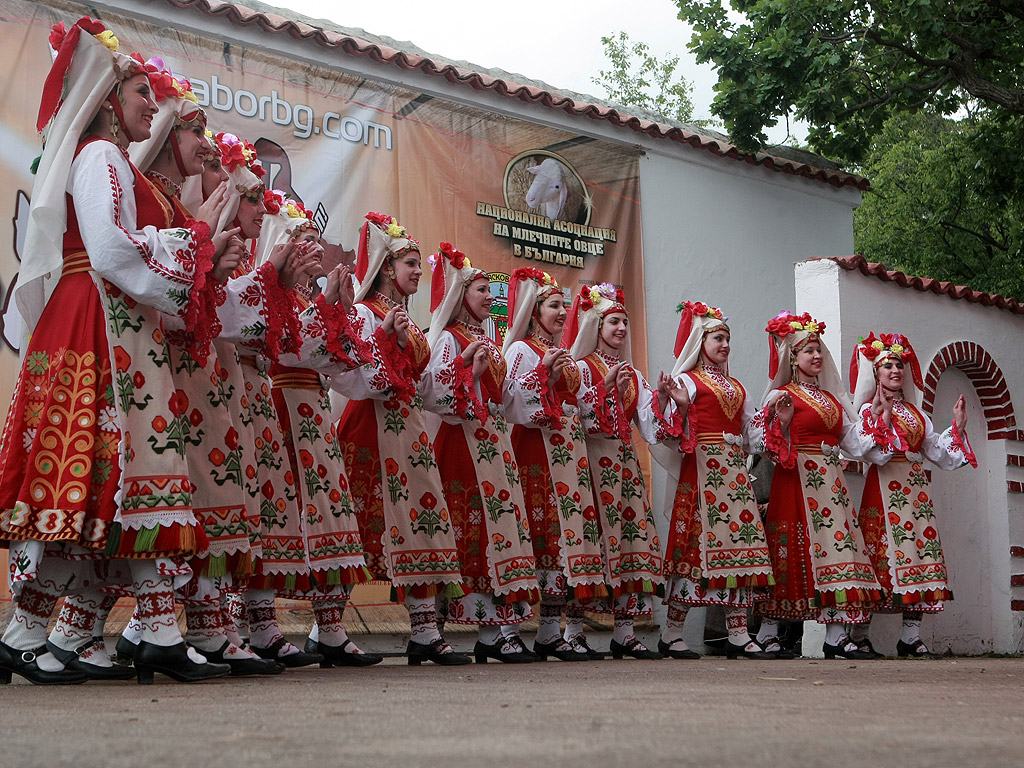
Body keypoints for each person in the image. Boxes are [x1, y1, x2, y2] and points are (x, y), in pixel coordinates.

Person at [0, 18, 235, 684]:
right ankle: (149, 631)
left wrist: (185, 253)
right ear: (107, 98)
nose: (149, 105)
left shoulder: (110, 161)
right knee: (117, 477)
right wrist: (187, 249)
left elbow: (117, 249)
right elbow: (107, 249)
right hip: (99, 323)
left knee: (106, 488)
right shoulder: (101, 157)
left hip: (111, 322)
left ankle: (27, 632)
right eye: (139, 92)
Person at [331, 213, 468, 665]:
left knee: (421, 521)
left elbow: (426, 387)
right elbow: (356, 373)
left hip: (408, 431)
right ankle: (326, 629)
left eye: (418, 264)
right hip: (369, 427)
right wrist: (387, 340)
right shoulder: (365, 314)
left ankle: (425, 632)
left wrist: (463, 371)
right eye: (410, 263)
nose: (416, 271)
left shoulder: (409, 321)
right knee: (359, 527)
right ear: (388, 267)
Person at [253, 193, 382, 666]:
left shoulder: (309, 298)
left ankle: (329, 629)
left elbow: (340, 366)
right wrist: (328, 309)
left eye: (315, 242)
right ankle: (260, 627)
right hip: (280, 405)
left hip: (314, 411)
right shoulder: (272, 292)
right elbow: (285, 350)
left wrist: (340, 313)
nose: (312, 249)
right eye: (302, 240)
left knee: (331, 514)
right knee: (275, 515)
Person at [422, 245, 540, 664]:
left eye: (491, 290)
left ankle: (494, 633)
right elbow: (431, 395)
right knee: (463, 532)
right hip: (461, 445)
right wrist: (467, 375)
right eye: (480, 290)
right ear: (459, 295)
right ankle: (431, 630)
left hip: (493, 444)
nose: (489, 297)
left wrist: (540, 380)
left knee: (499, 531)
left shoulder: (486, 339)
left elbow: (507, 398)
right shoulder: (448, 339)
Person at [752, 311, 885, 660]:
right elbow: (760, 443)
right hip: (795, 480)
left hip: (830, 483)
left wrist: (879, 421)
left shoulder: (831, 399)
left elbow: (854, 444)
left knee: (839, 550)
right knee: (792, 554)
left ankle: (837, 636)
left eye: (818, 350)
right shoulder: (781, 395)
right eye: (808, 350)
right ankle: (768, 634)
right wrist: (780, 424)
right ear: (792, 358)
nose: (816, 356)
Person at [562, 283, 678, 660]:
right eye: (614, 321)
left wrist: (661, 399)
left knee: (630, 542)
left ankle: (624, 632)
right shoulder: (579, 368)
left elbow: (651, 428)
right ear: (596, 326)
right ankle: (573, 632)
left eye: (625, 322)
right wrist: (604, 387)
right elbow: (576, 420)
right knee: (590, 546)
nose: (621, 329)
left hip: (624, 465)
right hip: (590, 465)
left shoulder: (636, 375)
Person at [655, 301, 776, 659]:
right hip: (702, 472)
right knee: (696, 550)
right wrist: (679, 407)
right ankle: (671, 632)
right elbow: (669, 434)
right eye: (717, 338)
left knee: (740, 548)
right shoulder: (686, 382)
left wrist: (774, 422)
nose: (724, 345)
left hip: (735, 475)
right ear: (700, 341)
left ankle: (737, 633)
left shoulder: (738, 387)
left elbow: (753, 434)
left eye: (727, 338)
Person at [849, 332, 977, 658]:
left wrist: (957, 429)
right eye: (887, 366)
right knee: (881, 559)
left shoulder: (917, 414)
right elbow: (869, 451)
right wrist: (881, 419)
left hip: (916, 492)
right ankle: (860, 635)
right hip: (885, 488)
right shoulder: (868, 408)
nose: (895, 371)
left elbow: (938, 452)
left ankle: (911, 637)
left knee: (920, 557)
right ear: (875, 373)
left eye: (899, 366)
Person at [501, 267, 606, 662]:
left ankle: (549, 632)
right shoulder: (521, 350)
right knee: (534, 536)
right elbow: (509, 402)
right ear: (534, 311)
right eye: (554, 305)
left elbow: (584, 406)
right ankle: (508, 631)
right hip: (534, 451)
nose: (562, 312)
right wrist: (544, 370)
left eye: (564, 305)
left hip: (569, 453)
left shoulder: (571, 359)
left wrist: (603, 389)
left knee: (561, 539)